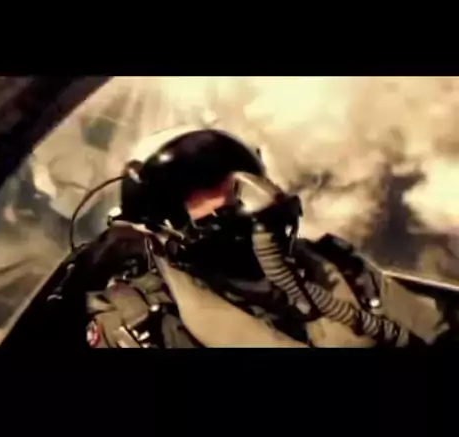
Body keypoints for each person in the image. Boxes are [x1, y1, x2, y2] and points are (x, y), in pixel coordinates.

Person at [74, 128, 450, 349]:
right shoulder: (138, 323)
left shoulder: (338, 266)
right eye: (209, 185)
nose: (245, 196)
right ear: (163, 222)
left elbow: (435, 332)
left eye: (242, 178)